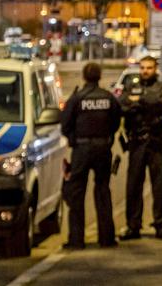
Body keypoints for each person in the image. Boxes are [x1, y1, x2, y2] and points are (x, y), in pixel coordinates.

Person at [60, 62, 122, 250]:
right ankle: (106, 238)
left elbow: (65, 125)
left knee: (76, 194)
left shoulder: (77, 99)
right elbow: (116, 122)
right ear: (100, 76)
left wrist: (74, 139)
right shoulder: (108, 98)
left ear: (84, 77)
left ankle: (77, 240)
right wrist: (106, 137)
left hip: (82, 149)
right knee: (103, 191)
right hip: (103, 148)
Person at [119, 55, 162, 240]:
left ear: (155, 69)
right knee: (133, 185)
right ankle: (133, 226)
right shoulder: (131, 85)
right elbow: (123, 105)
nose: (145, 71)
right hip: (136, 142)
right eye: (142, 68)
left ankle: (160, 225)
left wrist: (139, 100)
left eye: (149, 68)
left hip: (156, 142)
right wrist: (147, 102)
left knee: (159, 186)